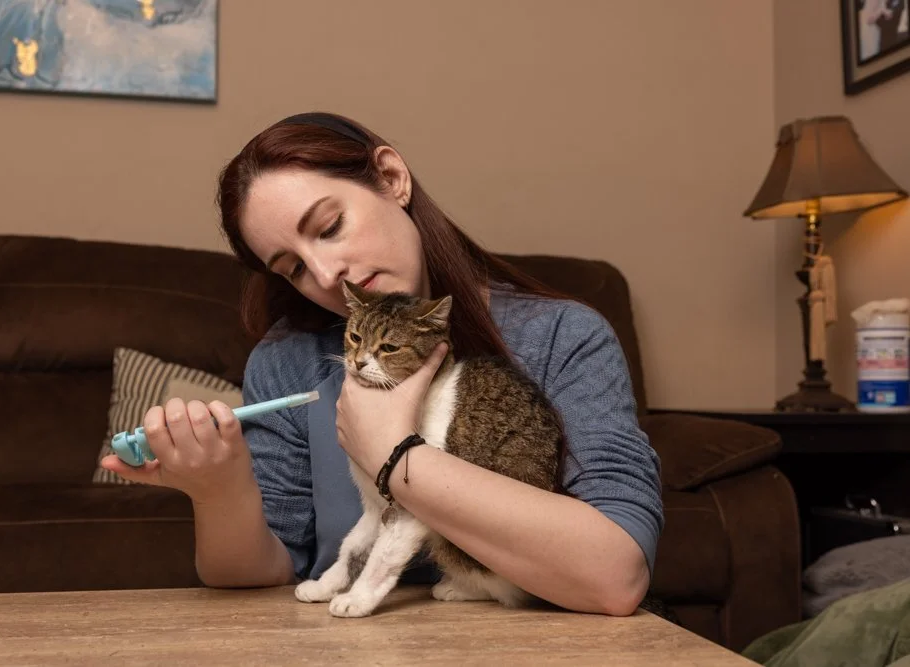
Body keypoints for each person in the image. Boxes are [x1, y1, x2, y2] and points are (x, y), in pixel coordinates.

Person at [100, 112, 664, 616]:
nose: (325, 275)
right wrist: (217, 490)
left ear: (391, 178)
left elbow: (616, 578)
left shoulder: (561, 337)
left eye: (329, 228)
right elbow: (258, 574)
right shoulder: (287, 362)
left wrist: (393, 456)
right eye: (292, 268)